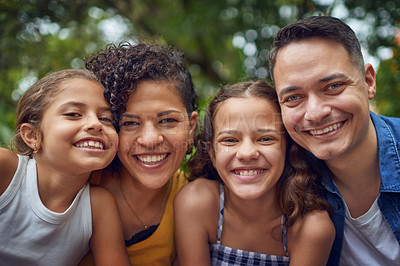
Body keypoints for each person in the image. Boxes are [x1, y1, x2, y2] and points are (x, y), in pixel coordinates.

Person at [269, 15, 400, 266]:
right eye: (294, 98)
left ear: (368, 82)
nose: (316, 113)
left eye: (333, 86)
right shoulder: (279, 176)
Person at [174, 80, 335, 265]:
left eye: (266, 138)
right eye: (230, 140)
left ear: (288, 148)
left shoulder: (310, 228)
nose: (247, 153)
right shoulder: (196, 203)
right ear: (212, 152)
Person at [79, 42, 198, 266]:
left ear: (191, 128)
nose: (150, 139)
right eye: (130, 123)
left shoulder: (197, 202)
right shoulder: (78, 183)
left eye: (168, 121)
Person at [0, 69, 130, 265]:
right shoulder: (6, 170)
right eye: (74, 114)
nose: (96, 124)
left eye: (106, 119)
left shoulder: (99, 206)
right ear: (32, 136)